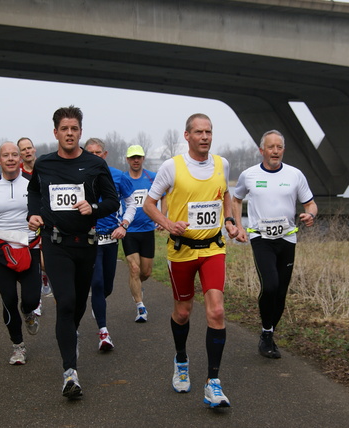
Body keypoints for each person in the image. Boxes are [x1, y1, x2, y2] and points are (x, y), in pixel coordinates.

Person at [144, 113, 239, 408]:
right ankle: (181, 359)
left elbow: (225, 195)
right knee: (183, 312)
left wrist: (230, 220)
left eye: (209, 132)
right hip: (182, 251)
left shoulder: (222, 164)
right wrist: (169, 223)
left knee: (217, 311)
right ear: (187, 136)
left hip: (213, 248)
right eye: (199, 132)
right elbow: (149, 203)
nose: (205, 137)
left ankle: (213, 383)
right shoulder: (171, 167)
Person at [27, 106, 119, 399]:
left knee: (78, 304)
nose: (69, 133)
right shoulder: (44, 164)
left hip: (86, 243)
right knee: (65, 301)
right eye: (64, 129)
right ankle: (70, 373)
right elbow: (34, 193)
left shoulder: (95, 164)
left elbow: (112, 201)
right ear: (56, 132)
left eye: (74, 129)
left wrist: (93, 207)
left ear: (80, 132)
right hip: (54, 242)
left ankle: (71, 333)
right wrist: (34, 214)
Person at [232, 129, 318, 359]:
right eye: (271, 147)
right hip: (261, 238)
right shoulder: (248, 175)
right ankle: (266, 332)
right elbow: (235, 198)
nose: (275, 151)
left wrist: (311, 215)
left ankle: (268, 332)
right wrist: (238, 226)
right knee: (269, 286)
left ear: (283, 150)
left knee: (281, 292)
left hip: (287, 238)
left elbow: (310, 204)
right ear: (262, 150)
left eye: (279, 147)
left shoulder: (295, 175)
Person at [0, 142, 42, 365]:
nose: (11, 158)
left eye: (15, 154)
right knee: (9, 300)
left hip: (29, 248)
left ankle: (29, 312)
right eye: (6, 155)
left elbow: (46, 211)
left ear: (20, 158)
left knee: (31, 300)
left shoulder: (33, 183)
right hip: (2, 251)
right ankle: (18, 346)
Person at [84, 138, 136, 351]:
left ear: (104, 154)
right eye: (90, 153)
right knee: (96, 284)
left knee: (106, 287)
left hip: (111, 239)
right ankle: (104, 333)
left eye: (98, 153)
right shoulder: (78, 175)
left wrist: (124, 225)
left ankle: (99, 304)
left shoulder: (118, 175)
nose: (95, 156)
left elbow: (131, 202)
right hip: (89, 239)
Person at [122, 145, 164, 322]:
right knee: (134, 268)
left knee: (145, 273)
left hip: (147, 230)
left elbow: (165, 195)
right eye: (132, 158)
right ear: (128, 160)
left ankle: (137, 286)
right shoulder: (122, 179)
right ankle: (140, 307)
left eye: (138, 157)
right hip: (129, 230)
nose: (136, 160)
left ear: (143, 158)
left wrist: (162, 217)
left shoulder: (152, 177)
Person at [17, 137, 50, 311]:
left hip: (47, 219)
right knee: (36, 263)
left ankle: (45, 278)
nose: (27, 151)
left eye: (29, 148)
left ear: (34, 149)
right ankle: (37, 302)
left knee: (46, 263)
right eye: (23, 150)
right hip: (29, 223)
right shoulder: (18, 173)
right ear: (20, 154)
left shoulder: (44, 167)